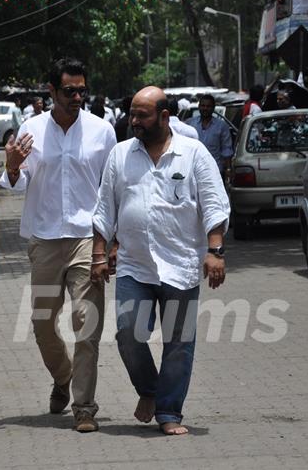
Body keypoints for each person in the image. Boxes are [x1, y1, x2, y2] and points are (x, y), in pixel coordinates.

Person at [91, 86, 230, 436]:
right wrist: (98, 256)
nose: (134, 121)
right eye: (132, 113)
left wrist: (214, 252)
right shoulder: (120, 155)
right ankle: (150, 390)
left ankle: (169, 413)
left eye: (142, 115)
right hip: (134, 265)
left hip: (180, 265)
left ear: (164, 117)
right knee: (128, 333)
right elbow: (104, 209)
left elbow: (214, 204)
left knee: (179, 343)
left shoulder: (193, 153)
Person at [0, 57, 117, 433]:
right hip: (45, 239)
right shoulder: (30, 130)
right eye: (69, 91)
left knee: (86, 321)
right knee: (42, 324)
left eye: (82, 90)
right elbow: (14, 184)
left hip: (87, 238)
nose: (77, 97)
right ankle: (62, 376)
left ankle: (84, 406)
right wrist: (13, 166)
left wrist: (112, 242)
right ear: (51, 92)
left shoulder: (102, 132)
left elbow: (112, 189)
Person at [186, 94, 233, 179]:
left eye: (208, 106)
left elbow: (226, 149)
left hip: (215, 172)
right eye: (203, 106)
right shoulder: (190, 123)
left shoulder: (221, 126)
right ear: (199, 106)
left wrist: (228, 169)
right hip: (194, 171)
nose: (205, 108)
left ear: (213, 108)